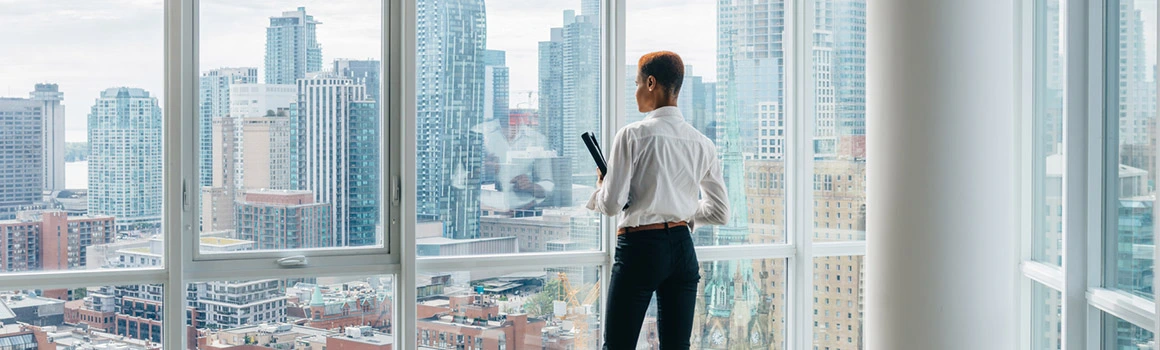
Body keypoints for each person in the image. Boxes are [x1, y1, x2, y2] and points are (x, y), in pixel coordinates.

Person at [587, 51, 729, 349]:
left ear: (651, 83)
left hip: (640, 249)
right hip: (682, 249)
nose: (636, 91)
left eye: (637, 84)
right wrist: (686, 213)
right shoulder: (703, 143)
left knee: (618, 345)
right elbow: (719, 212)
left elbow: (612, 206)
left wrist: (601, 188)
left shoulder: (632, 135)